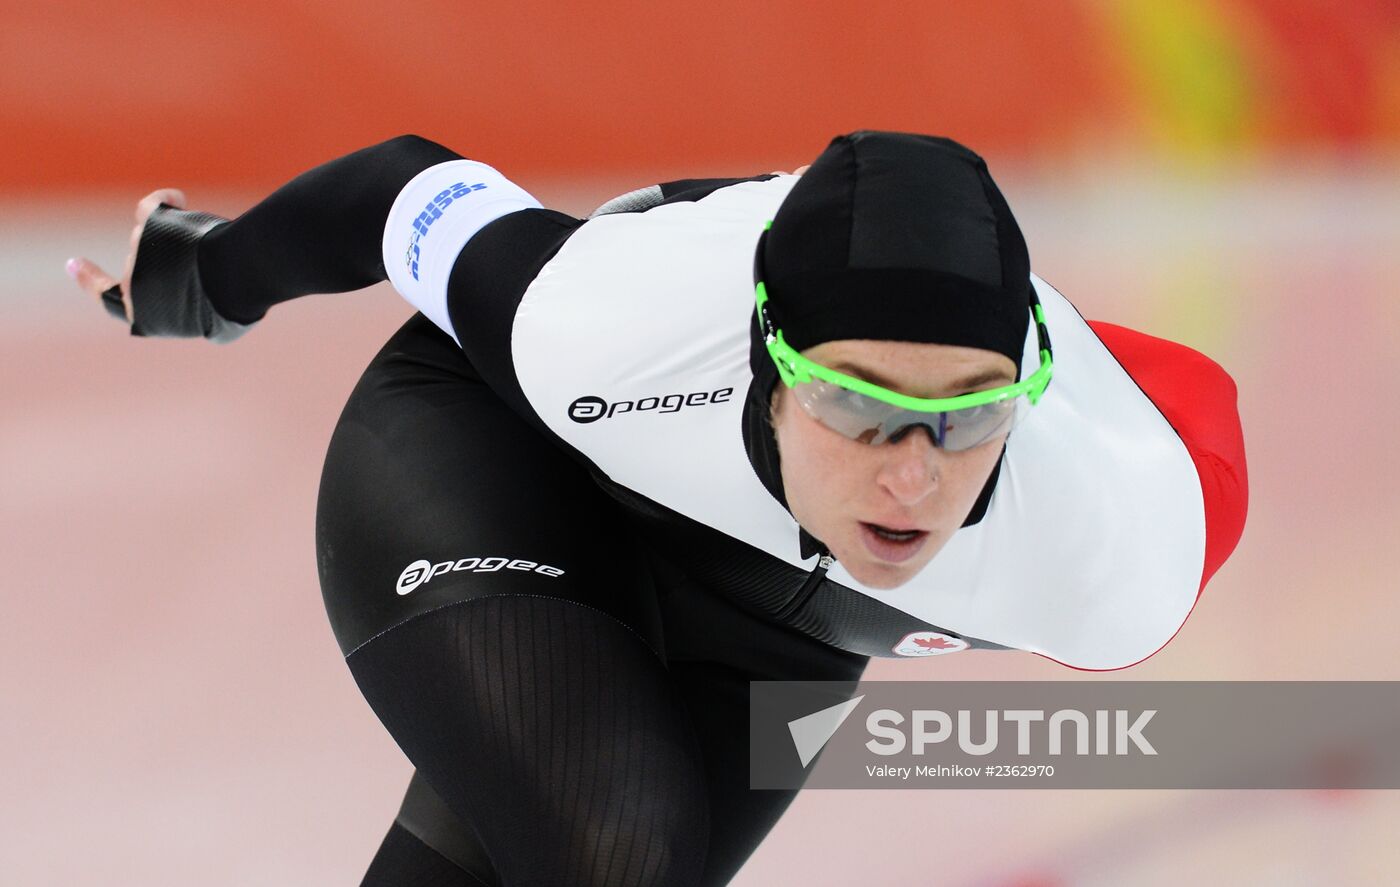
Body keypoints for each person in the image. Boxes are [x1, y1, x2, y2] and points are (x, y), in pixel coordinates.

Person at [68, 130, 1249, 886]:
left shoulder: (1115, 549)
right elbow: (397, 193)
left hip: (780, 633)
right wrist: (203, 280)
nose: (911, 475)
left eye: (969, 415)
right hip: (506, 466)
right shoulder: (605, 322)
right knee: (618, 856)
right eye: (856, 404)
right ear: (767, 359)